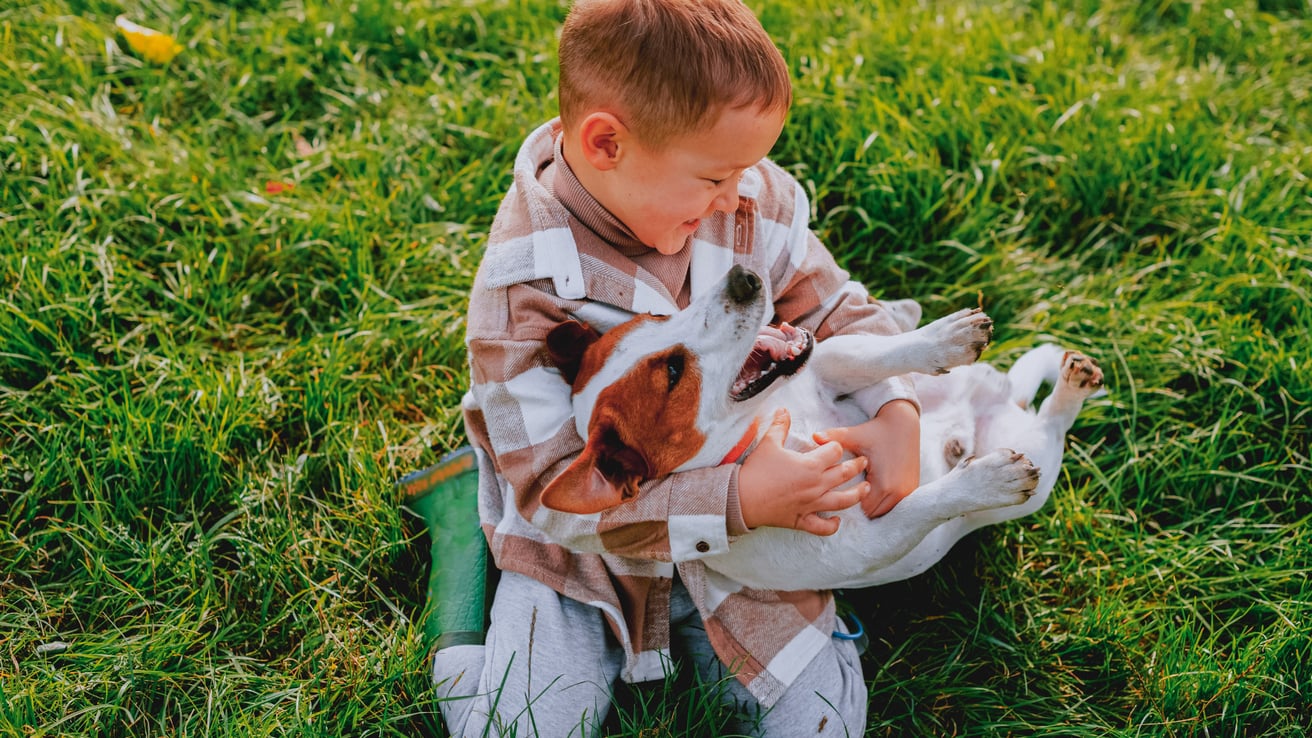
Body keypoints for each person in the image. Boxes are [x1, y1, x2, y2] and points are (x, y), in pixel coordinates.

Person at [416, 1, 921, 734]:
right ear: (606, 144)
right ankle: (462, 576)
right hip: (580, 559)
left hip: (746, 551)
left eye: (748, 169)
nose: (739, 192)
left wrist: (894, 408)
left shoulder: (745, 196)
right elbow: (560, 500)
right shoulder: (519, 296)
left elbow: (831, 302)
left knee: (821, 724)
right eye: (717, 176)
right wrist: (738, 497)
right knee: (519, 724)